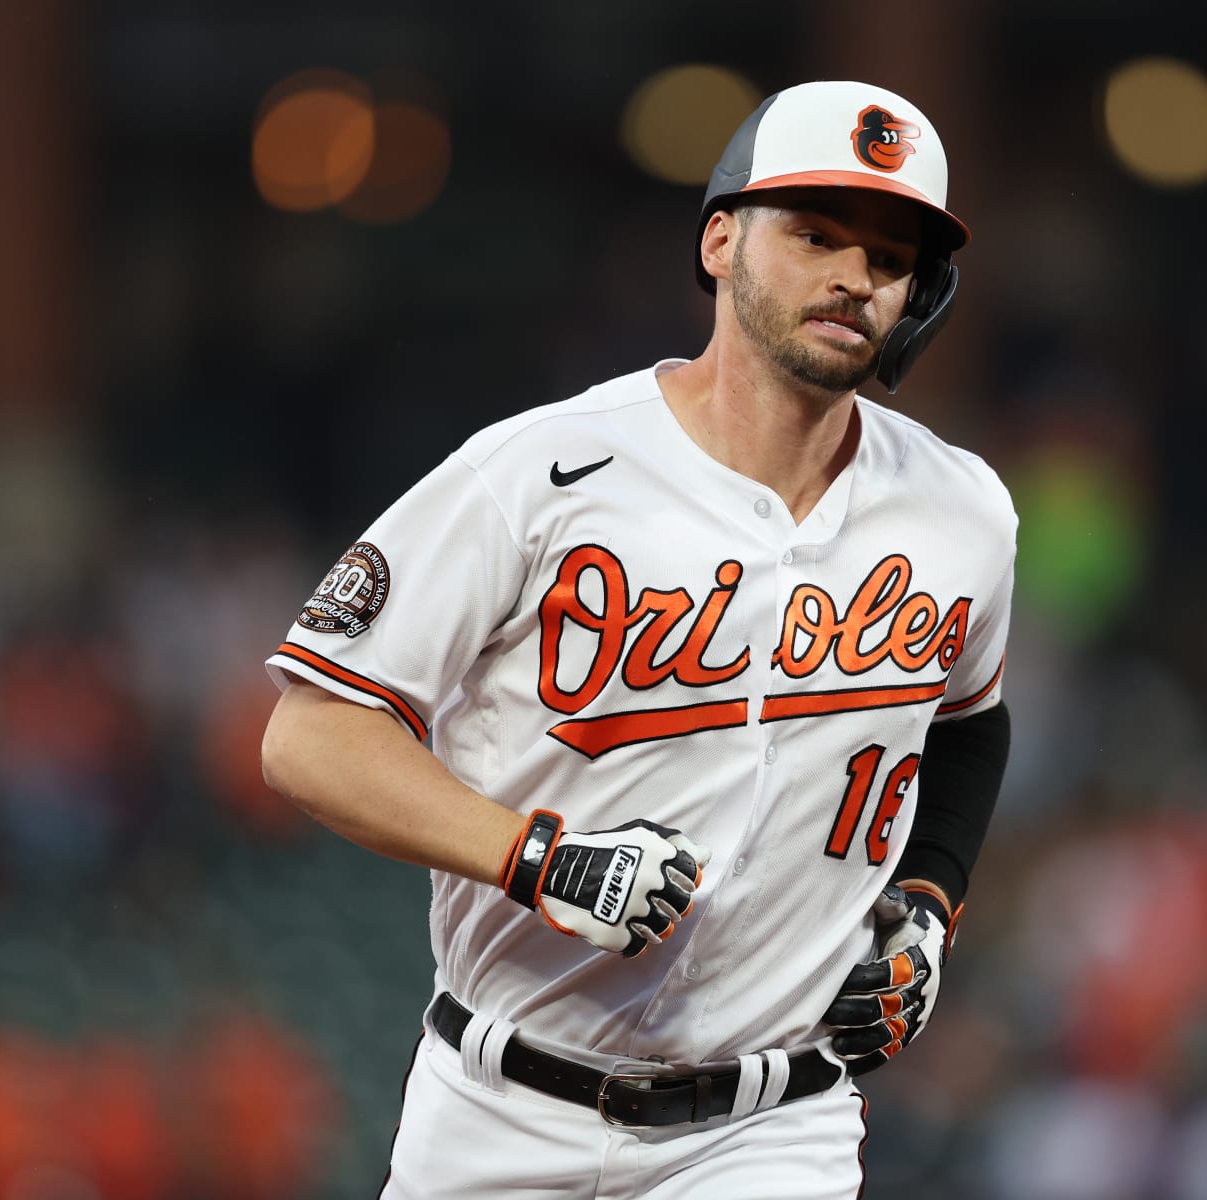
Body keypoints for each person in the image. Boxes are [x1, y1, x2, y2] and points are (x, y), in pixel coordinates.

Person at [260, 79, 1016, 1198]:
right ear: (720, 240)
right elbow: (310, 738)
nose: (854, 276)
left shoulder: (960, 511)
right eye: (815, 235)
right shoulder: (540, 471)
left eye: (891, 257)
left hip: (771, 1128)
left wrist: (932, 910)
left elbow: (969, 726)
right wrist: (535, 858)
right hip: (500, 1113)